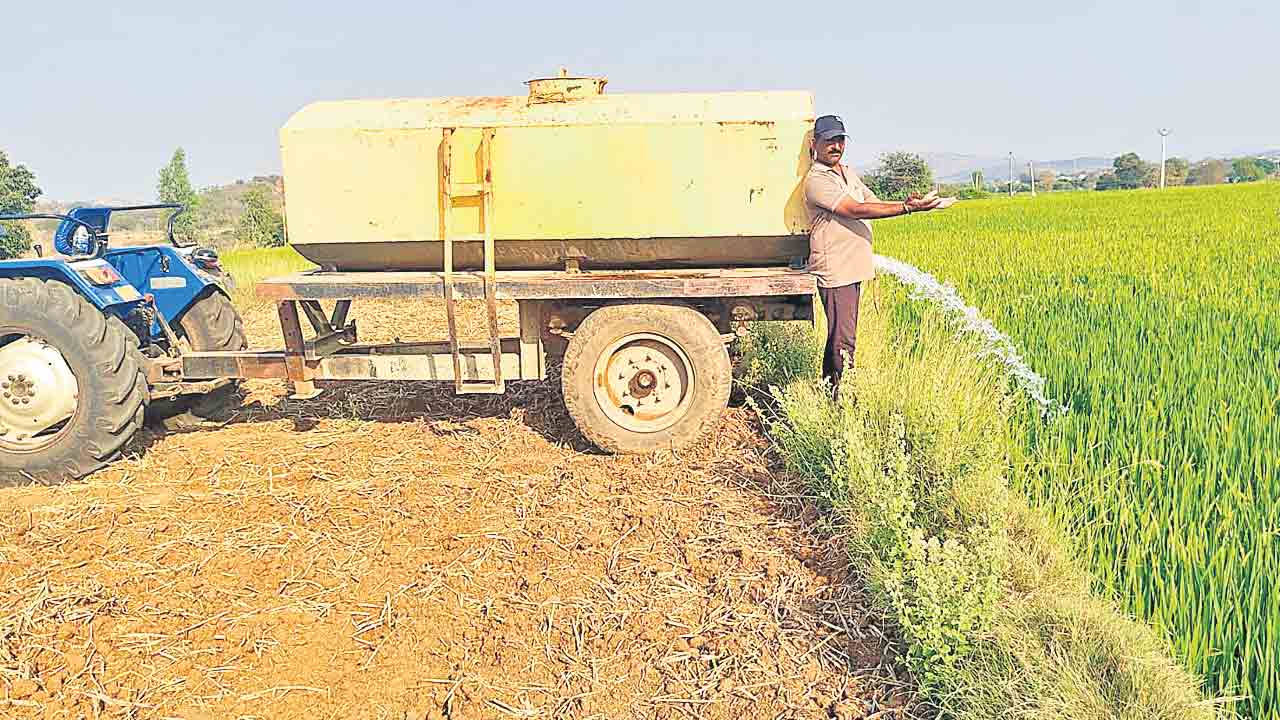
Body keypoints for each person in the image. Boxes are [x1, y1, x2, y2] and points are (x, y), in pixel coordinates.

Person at [804, 114, 941, 397]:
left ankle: (831, 393)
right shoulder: (817, 180)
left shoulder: (847, 172)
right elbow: (854, 209)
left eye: (840, 140)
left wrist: (914, 204)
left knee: (839, 336)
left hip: (852, 268)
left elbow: (872, 203)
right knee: (843, 339)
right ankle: (842, 398)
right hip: (836, 269)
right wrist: (907, 208)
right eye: (829, 140)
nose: (835, 146)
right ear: (814, 142)